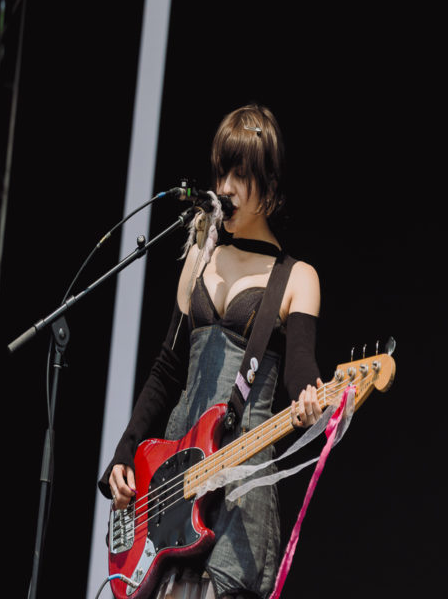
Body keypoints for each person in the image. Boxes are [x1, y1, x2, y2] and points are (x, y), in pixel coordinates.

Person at [99, 104, 323, 599]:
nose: (226, 187)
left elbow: (300, 370)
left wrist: (313, 397)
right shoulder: (200, 258)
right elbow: (167, 368)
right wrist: (125, 452)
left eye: (241, 175)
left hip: (240, 486)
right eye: (222, 172)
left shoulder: (297, 278)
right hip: (174, 474)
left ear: (270, 186)